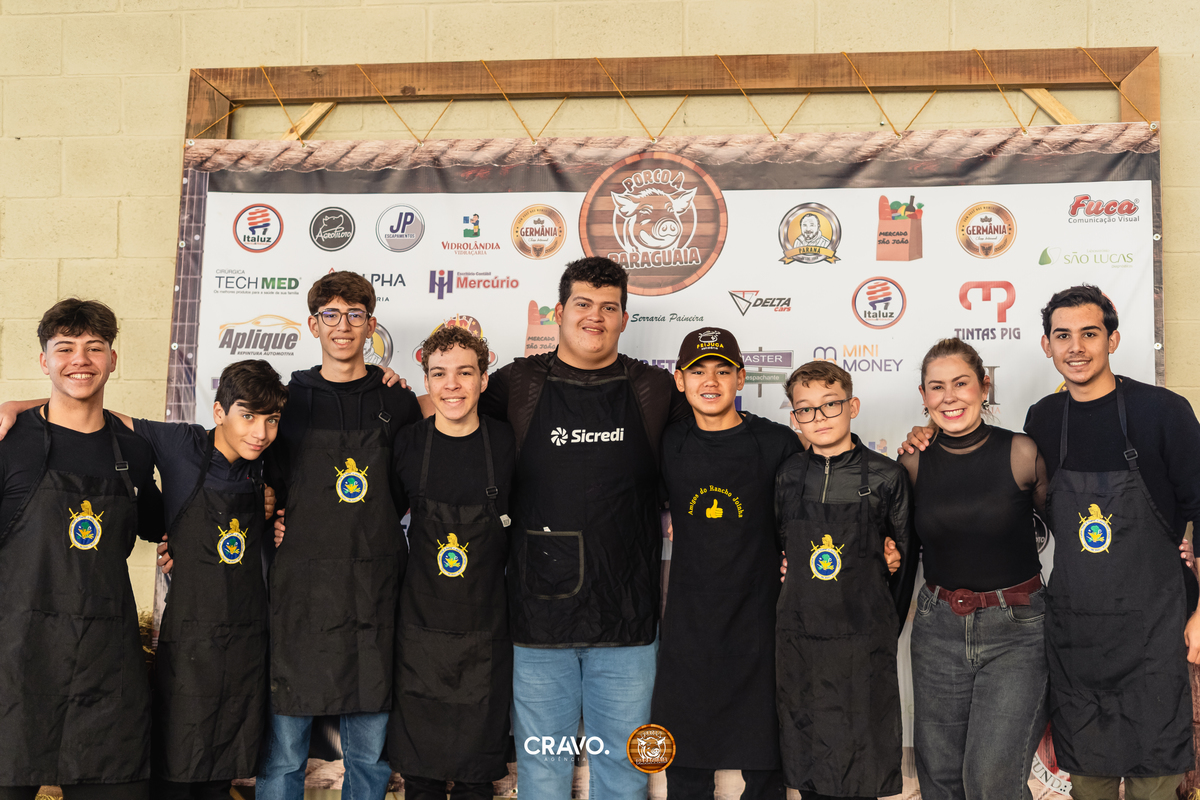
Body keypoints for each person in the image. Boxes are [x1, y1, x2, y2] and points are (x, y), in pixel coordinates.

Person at [0, 359, 288, 800]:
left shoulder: (267, 465)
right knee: (176, 766)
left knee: (223, 770)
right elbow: (92, 408)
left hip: (247, 640)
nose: (259, 432)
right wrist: (17, 405)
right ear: (218, 412)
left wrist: (274, 513)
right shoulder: (179, 442)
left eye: (271, 420)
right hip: (189, 638)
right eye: (248, 416)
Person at [467, 257, 689, 800]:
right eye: (583, 304)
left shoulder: (653, 388)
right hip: (538, 621)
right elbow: (449, 420)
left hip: (627, 621)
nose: (596, 316)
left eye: (609, 307)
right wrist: (388, 389)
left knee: (625, 774)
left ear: (624, 319)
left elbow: (715, 449)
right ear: (560, 312)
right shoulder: (518, 383)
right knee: (542, 772)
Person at [285, 325, 516, 800]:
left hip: (487, 630)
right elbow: (372, 514)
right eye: (440, 374)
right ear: (426, 382)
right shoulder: (408, 444)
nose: (452, 385)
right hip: (419, 632)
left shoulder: (509, 444)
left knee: (476, 777)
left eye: (465, 373)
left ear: (483, 379)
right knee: (421, 775)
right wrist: (289, 520)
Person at [1023, 286, 1200, 800]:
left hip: (1157, 630)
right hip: (1078, 634)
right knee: (1089, 783)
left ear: (1112, 340)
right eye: (1063, 336)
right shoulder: (1043, 418)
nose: (1076, 347)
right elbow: (1020, 504)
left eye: (1089, 333)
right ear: (1047, 346)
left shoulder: (1163, 411)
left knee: (1155, 782)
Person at [258, 271, 422, 800]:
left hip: (374, 588)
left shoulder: (397, 401)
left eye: (355, 315)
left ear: (371, 325)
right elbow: (261, 481)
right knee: (284, 754)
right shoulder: (287, 402)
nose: (343, 326)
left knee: (370, 756)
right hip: (301, 592)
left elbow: (410, 488)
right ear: (313, 325)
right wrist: (270, 518)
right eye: (330, 314)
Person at [0, 299, 163, 800]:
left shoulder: (135, 449)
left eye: (94, 348)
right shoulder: (9, 438)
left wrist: (262, 506)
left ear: (113, 359)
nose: (80, 360)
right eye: (65, 348)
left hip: (105, 662)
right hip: (17, 660)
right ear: (43, 360)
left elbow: (162, 524)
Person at [896, 338, 1050, 800]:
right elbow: (888, 540)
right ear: (923, 396)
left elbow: (1076, 527)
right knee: (940, 779)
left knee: (991, 782)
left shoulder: (1021, 452)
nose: (949, 397)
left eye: (961, 383)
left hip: (1018, 632)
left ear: (984, 387)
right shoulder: (912, 460)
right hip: (937, 629)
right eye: (936, 387)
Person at [651, 328, 800, 800]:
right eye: (698, 371)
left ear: (741, 378)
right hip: (688, 629)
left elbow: (815, 507)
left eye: (722, 370)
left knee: (765, 770)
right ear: (679, 380)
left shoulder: (776, 442)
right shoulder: (667, 444)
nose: (710, 381)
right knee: (685, 771)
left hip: (759, 627)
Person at [775, 361, 910, 800]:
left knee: (861, 765)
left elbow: (905, 560)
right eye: (806, 409)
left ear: (852, 406)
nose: (819, 417)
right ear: (794, 417)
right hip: (800, 640)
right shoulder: (788, 475)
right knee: (809, 760)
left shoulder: (887, 476)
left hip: (862, 643)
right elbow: (780, 547)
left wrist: (884, 627)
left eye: (830, 404)